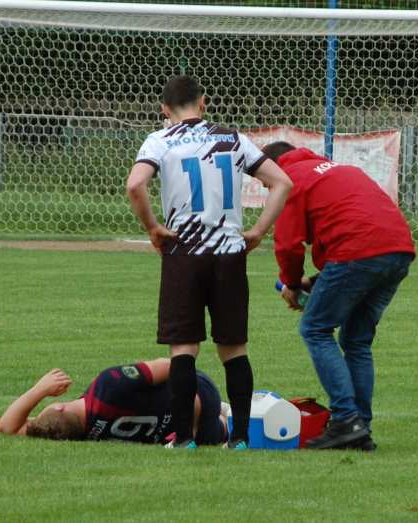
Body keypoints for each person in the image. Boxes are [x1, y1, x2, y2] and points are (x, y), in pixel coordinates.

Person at [126, 75, 292, 450]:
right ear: (203, 103)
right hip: (229, 254)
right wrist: (258, 232)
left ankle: (184, 439)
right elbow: (282, 182)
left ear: (164, 110)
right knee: (234, 348)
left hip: (183, 251)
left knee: (183, 348)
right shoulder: (232, 138)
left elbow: (136, 185)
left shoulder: (160, 140)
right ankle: (240, 440)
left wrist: (153, 227)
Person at [262, 141, 415, 450]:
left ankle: (346, 419)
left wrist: (291, 284)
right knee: (356, 341)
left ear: (273, 168)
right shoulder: (337, 169)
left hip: (357, 253)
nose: (268, 190)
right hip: (397, 250)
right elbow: (361, 226)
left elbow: (288, 245)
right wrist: (314, 282)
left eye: (265, 182)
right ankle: (360, 427)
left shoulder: (289, 179)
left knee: (315, 328)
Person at [0, 359, 228, 445]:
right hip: (199, 395)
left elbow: (8, 427)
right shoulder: (108, 386)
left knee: (229, 426)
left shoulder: (84, 435)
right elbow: (172, 366)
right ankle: (222, 410)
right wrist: (40, 389)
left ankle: (223, 414)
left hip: (200, 431)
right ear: (60, 406)